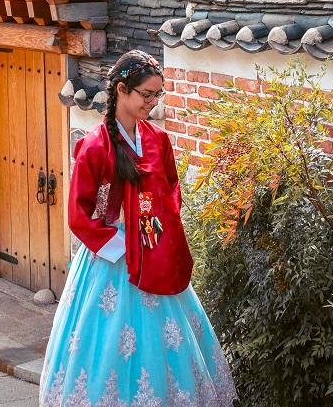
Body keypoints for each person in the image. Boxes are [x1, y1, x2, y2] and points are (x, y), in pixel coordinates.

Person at [40, 49, 236, 407]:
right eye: (146, 94)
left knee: (165, 345)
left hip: (154, 249)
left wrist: (159, 231)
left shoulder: (158, 141)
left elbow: (171, 191)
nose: (152, 102)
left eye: (157, 95)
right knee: (108, 346)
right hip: (111, 260)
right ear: (121, 91)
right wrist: (119, 242)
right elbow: (79, 214)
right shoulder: (95, 147)